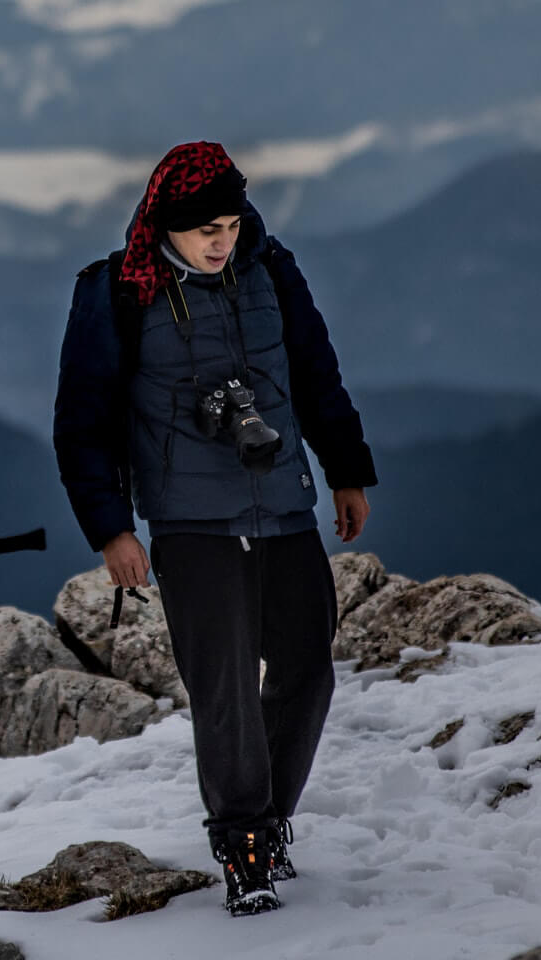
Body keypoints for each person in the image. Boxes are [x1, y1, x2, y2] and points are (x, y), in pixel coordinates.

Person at [52, 140, 377, 916]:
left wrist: (346, 469)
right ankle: (245, 844)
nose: (221, 239)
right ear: (166, 224)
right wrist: (111, 531)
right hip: (189, 521)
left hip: (284, 508)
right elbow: (82, 423)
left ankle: (270, 815)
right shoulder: (118, 292)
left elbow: (316, 374)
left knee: (306, 670)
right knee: (224, 688)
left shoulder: (272, 271)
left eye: (230, 223)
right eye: (205, 229)